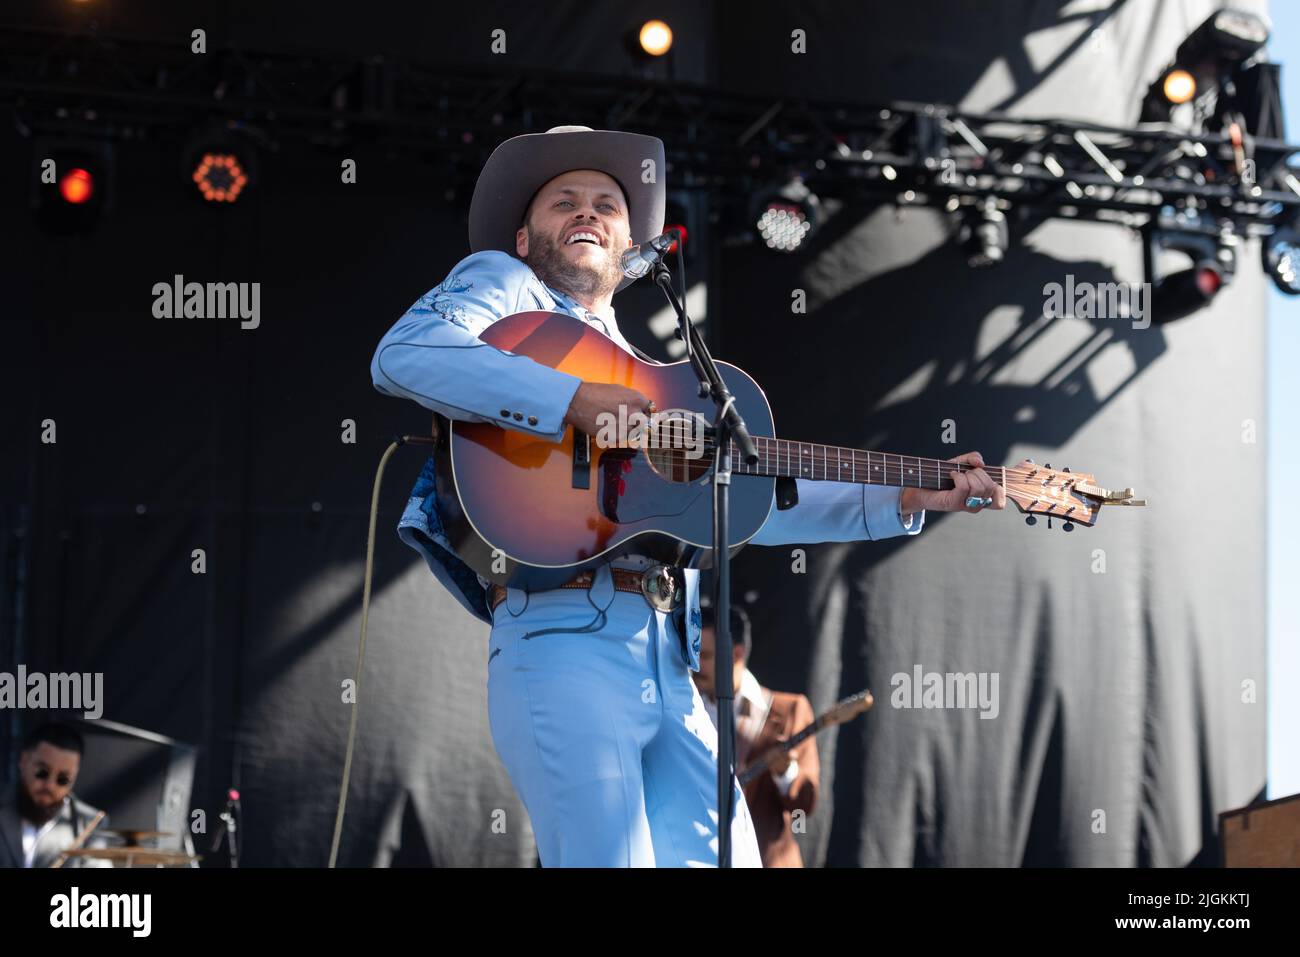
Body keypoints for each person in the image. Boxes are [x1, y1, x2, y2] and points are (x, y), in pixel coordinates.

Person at [371, 125, 1008, 867]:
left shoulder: (652, 375)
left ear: (630, 246)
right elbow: (406, 352)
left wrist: (907, 496)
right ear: (522, 234)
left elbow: (749, 501)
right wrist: (569, 398)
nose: (588, 213)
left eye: (607, 205)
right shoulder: (509, 288)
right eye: (564, 202)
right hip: (562, 639)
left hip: (668, 661)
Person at [695, 604, 819, 868]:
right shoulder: (684, 709)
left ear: (735, 654)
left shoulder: (789, 711)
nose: (695, 666)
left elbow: (804, 805)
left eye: (704, 656)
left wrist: (785, 773)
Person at [0, 722, 110, 868]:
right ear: (23, 761)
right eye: (42, 772)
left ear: (74, 777)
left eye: (63, 779)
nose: (50, 785)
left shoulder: (90, 823)